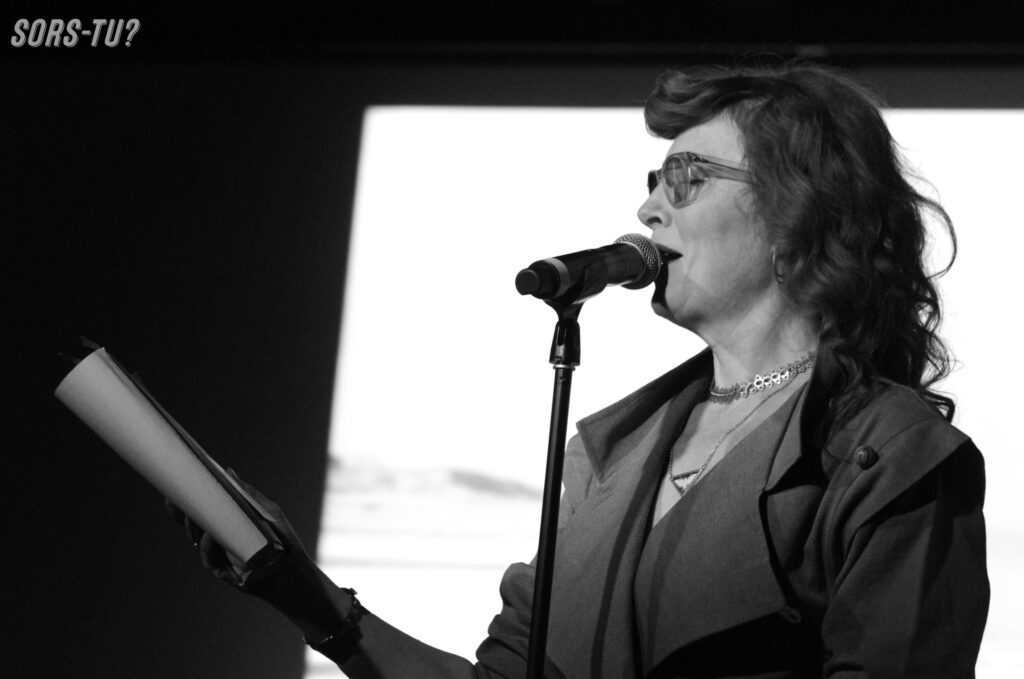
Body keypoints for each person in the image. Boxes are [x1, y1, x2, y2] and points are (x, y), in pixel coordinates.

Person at [175, 61, 989, 677]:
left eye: (687, 178)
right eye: (655, 181)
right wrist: (302, 590)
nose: (648, 207)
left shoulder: (890, 453)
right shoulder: (612, 457)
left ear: (798, 214)